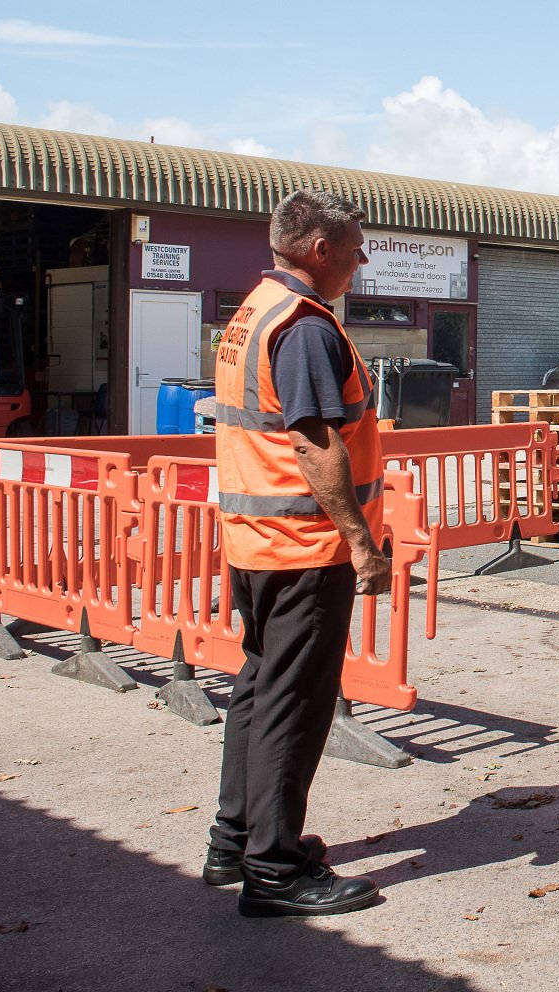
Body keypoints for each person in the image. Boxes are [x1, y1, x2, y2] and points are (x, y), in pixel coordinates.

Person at [202, 190, 389, 918]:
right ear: (320, 250)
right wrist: (360, 544)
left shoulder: (254, 310)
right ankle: (274, 871)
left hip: (257, 541)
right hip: (305, 545)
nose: (360, 259)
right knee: (294, 705)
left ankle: (236, 839)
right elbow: (314, 443)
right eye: (354, 247)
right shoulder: (306, 327)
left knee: (258, 690)